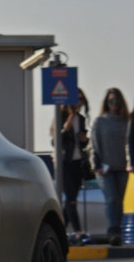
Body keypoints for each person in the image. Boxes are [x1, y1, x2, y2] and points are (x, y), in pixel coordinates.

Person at [90, 87, 130, 245]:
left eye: (116, 100)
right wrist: (96, 164)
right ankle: (112, 230)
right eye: (111, 101)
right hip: (104, 169)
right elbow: (94, 145)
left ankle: (118, 231)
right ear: (107, 103)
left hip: (122, 167)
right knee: (111, 198)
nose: (114, 103)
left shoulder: (126, 121)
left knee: (119, 200)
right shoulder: (100, 121)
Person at [53, 91, 90, 244]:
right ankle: (78, 232)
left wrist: (84, 140)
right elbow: (57, 139)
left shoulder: (81, 119)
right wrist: (69, 120)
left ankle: (58, 231)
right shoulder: (61, 115)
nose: (79, 103)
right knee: (71, 199)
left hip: (78, 162)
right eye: (77, 99)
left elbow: (82, 143)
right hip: (65, 162)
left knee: (71, 199)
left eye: (81, 100)